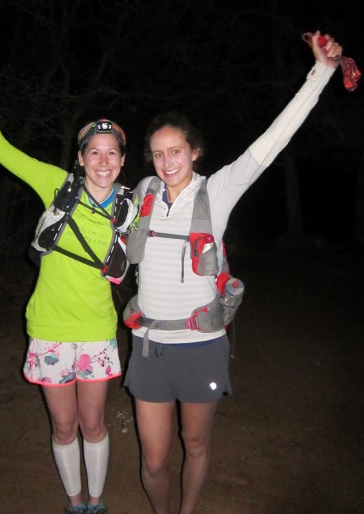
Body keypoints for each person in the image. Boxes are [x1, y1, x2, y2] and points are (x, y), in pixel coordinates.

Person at [123, 31, 343, 514]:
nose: (167, 161)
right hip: (150, 346)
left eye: (175, 150)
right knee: (155, 460)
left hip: (202, 344)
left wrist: (321, 72)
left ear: (194, 151)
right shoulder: (141, 194)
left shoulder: (217, 190)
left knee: (195, 443)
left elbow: (274, 137)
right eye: (158, 153)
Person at [0, 35, 131, 514]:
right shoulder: (55, 184)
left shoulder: (131, 207)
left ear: (123, 161)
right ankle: (75, 503)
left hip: (98, 330)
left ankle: (96, 503)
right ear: (79, 159)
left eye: (111, 153)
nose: (102, 161)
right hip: (51, 329)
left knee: (94, 426)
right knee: (63, 428)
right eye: (92, 153)